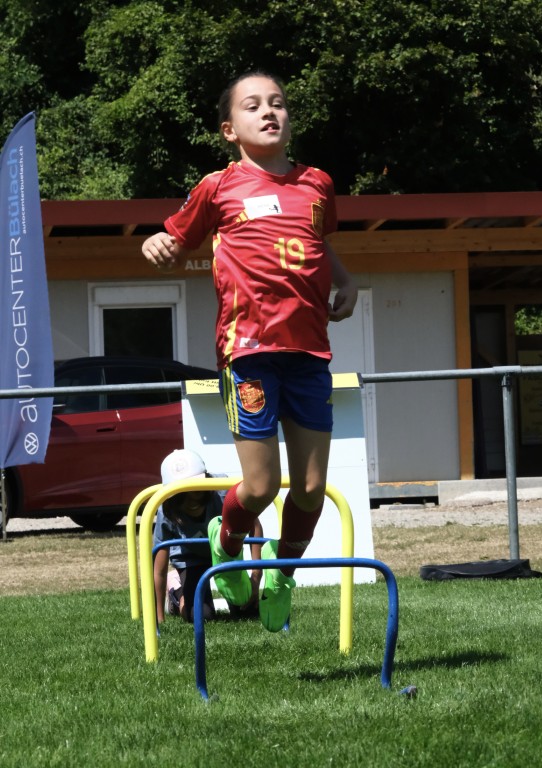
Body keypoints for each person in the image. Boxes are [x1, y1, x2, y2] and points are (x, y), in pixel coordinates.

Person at [143, 71, 357, 632]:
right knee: (260, 486)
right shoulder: (218, 187)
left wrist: (346, 281)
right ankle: (228, 540)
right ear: (229, 129)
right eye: (253, 105)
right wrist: (155, 241)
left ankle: (282, 575)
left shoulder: (318, 183)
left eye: (278, 103)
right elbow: (175, 237)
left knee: (310, 488)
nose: (268, 112)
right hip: (249, 351)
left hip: (310, 352)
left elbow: (319, 243)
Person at [153, 448, 262, 623]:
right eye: (182, 496)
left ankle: (237, 598)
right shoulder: (166, 511)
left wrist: (256, 578)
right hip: (191, 559)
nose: (192, 501)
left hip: (225, 554)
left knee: (247, 610)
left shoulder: (224, 491)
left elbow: (254, 525)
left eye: (196, 491)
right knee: (200, 615)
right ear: (172, 499)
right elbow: (159, 568)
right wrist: (159, 619)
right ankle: (176, 591)